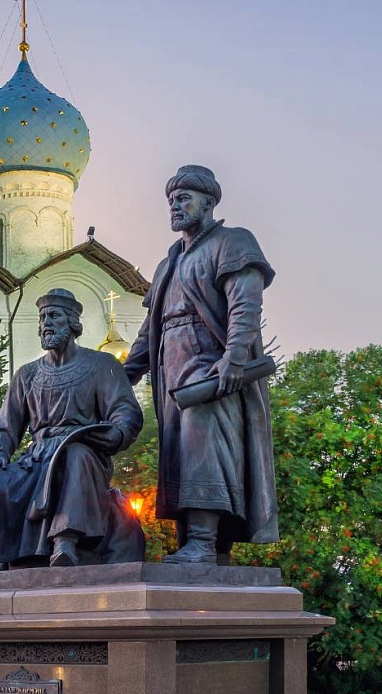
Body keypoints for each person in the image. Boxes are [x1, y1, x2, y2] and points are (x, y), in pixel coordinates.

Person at [124, 165, 279, 565]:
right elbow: (151, 327)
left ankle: (204, 542)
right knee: (179, 451)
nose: (175, 206)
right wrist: (125, 375)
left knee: (203, 444)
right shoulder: (169, 262)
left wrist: (234, 357)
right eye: (171, 200)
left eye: (184, 198)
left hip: (211, 364)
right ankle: (205, 545)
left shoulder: (232, 241)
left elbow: (245, 304)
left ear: (209, 202)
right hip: (171, 367)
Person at [0, 289, 145, 569]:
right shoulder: (27, 374)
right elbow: (4, 427)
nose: (46, 323)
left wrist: (117, 433)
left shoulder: (101, 365)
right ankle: (0, 556)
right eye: (42, 317)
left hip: (85, 452)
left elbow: (125, 412)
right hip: (37, 458)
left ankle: (65, 542)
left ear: (72, 323)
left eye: (54, 316)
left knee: (75, 455)